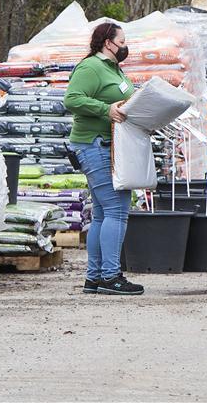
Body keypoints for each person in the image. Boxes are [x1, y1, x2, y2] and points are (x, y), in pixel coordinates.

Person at [63, 22, 144, 295]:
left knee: (101, 214)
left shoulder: (113, 69)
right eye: (122, 41)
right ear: (108, 42)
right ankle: (111, 276)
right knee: (116, 211)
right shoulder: (90, 68)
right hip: (94, 145)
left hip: (111, 146)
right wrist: (104, 110)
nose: (125, 46)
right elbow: (72, 99)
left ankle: (95, 277)